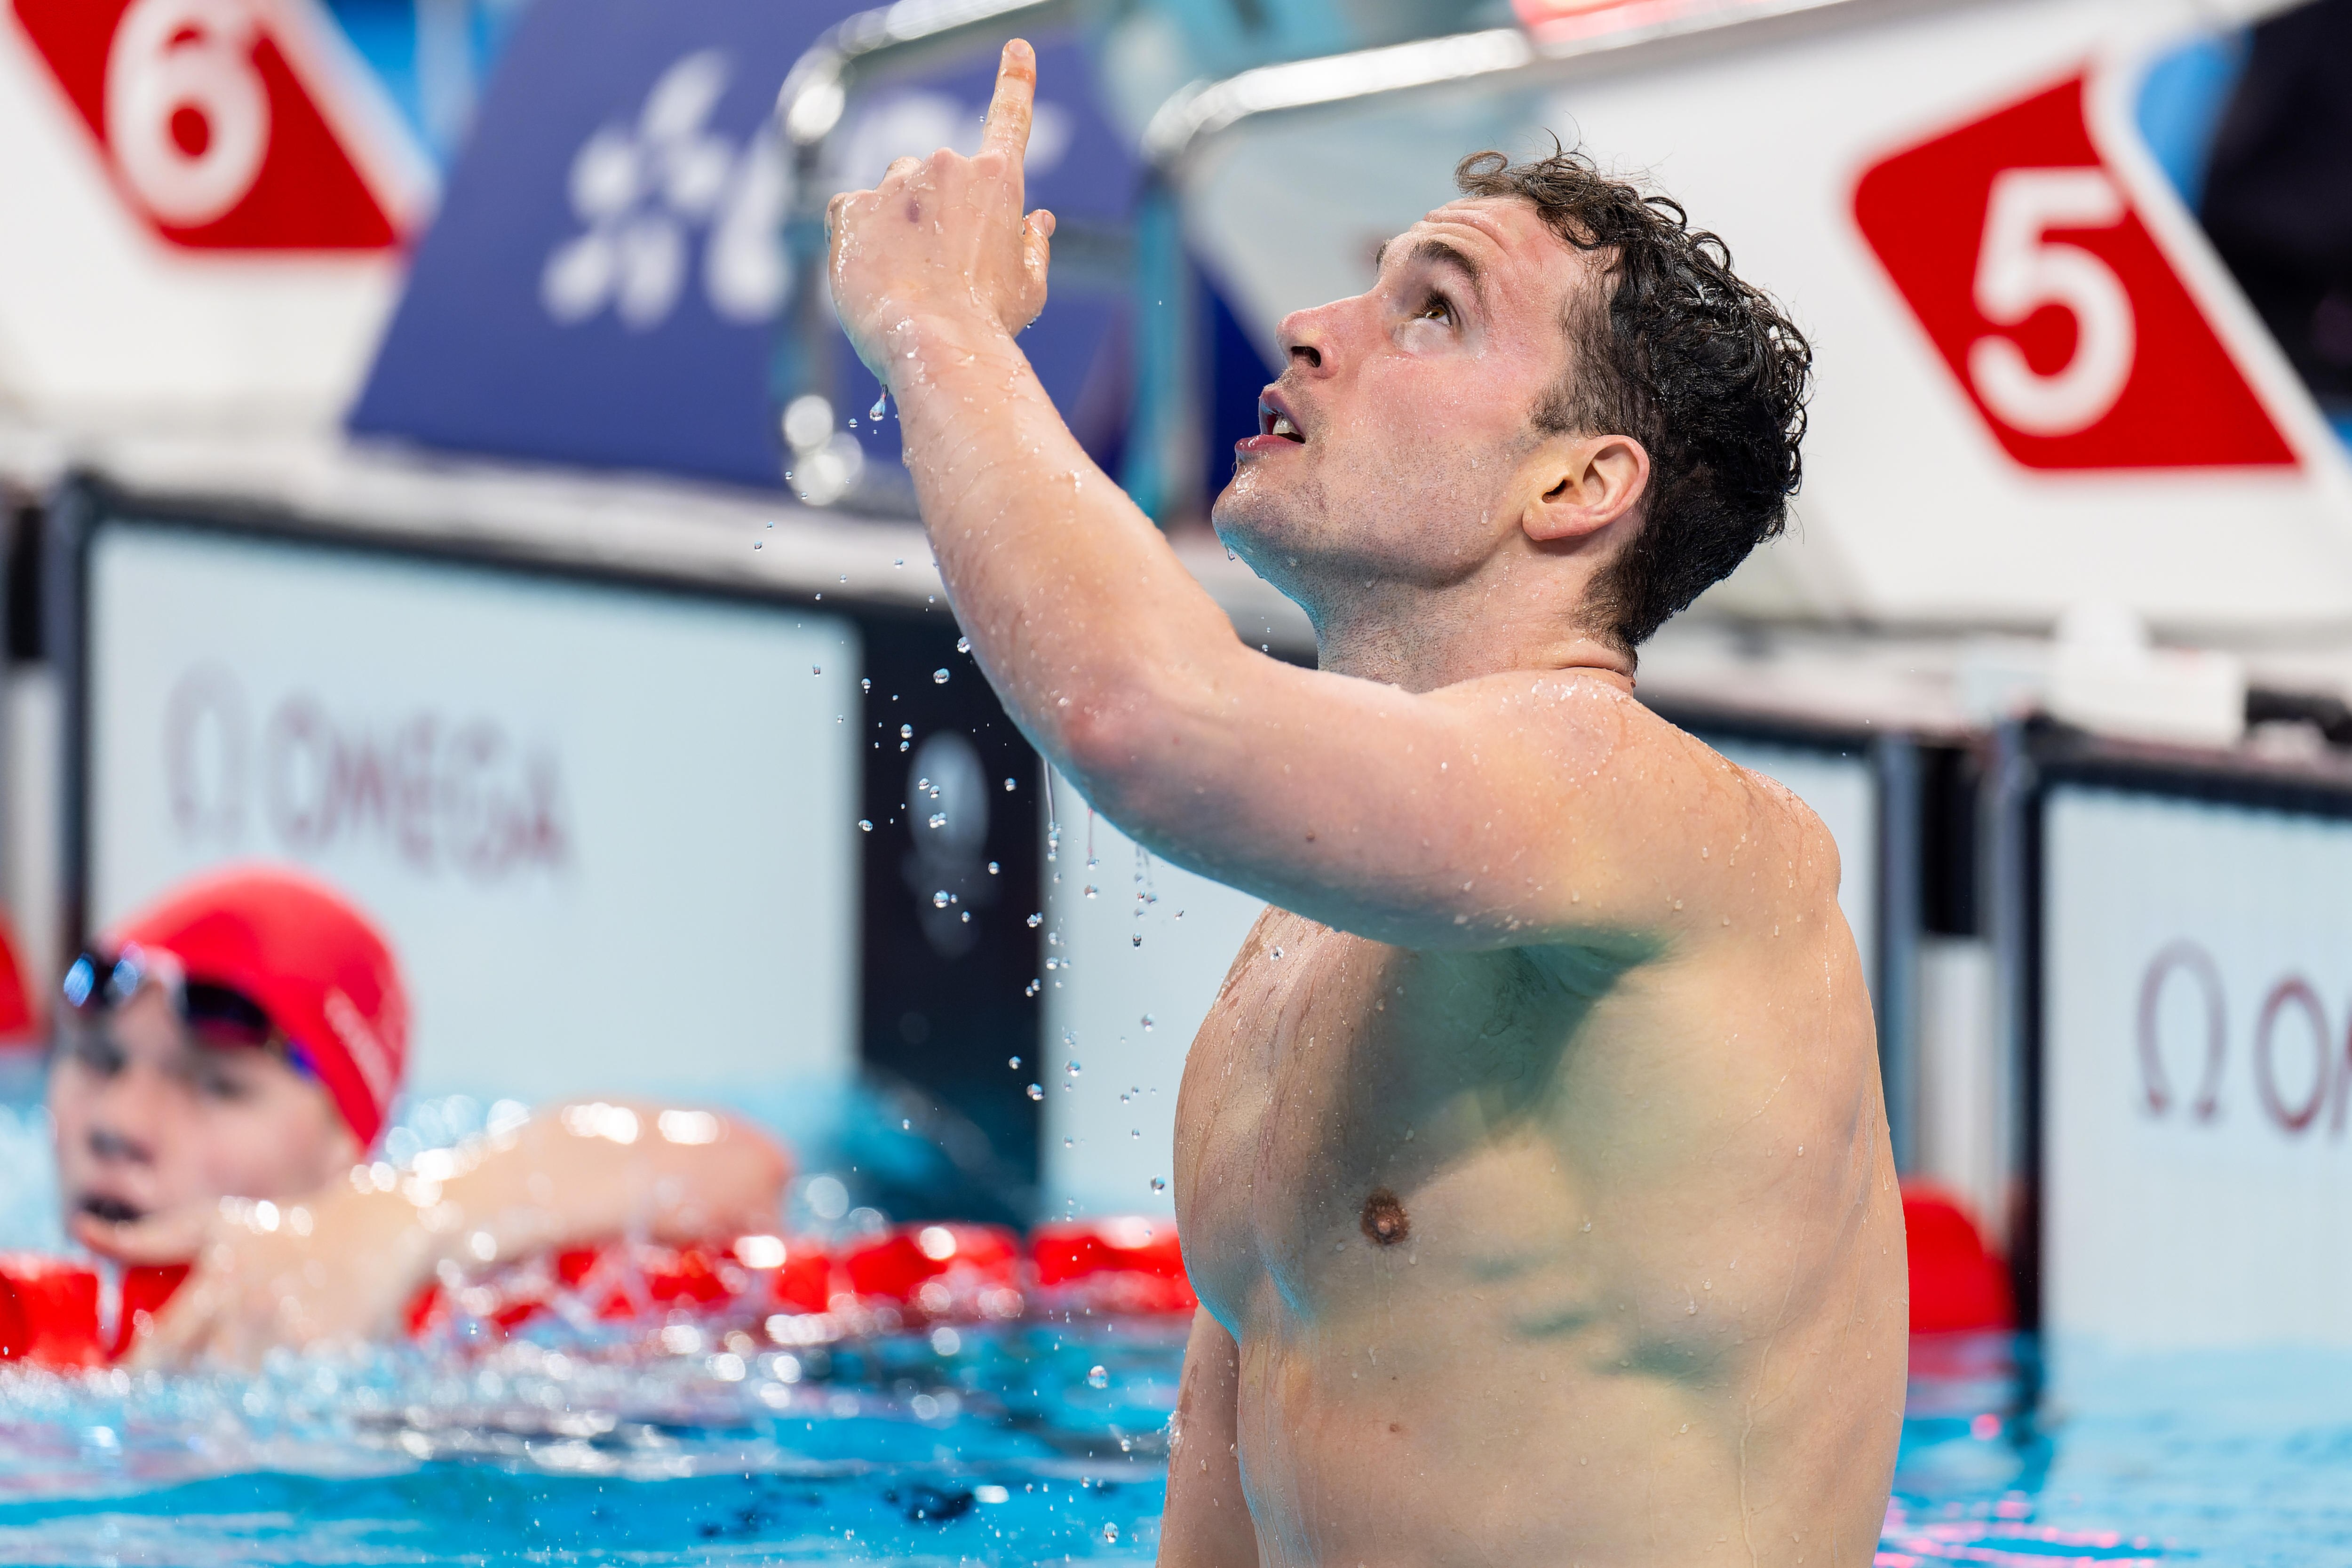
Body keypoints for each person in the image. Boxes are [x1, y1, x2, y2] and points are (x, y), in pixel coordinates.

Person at [825, 42, 1904, 1567]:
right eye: (1364, 284)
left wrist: (939, 329)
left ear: (1577, 486)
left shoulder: (1659, 818)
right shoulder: (1306, 950)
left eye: (1433, 311)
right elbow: (1232, 1489)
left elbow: (1144, 718)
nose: (1313, 330)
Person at [42, 865, 788, 1366]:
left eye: (216, 1086)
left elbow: (745, 1168)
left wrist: (393, 1221)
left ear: (347, 1145)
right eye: (98, 1061)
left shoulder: (449, 1323)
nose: (119, 1121)